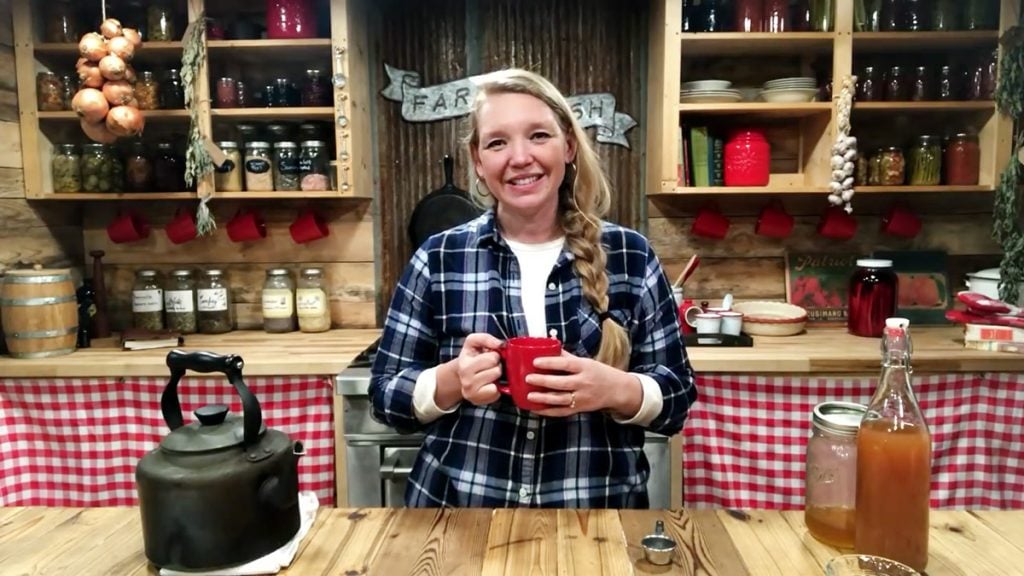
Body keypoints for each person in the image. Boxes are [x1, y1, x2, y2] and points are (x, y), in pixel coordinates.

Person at [369, 68, 697, 508]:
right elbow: (385, 398)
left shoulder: (630, 256)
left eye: (538, 135)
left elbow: (677, 397)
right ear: (478, 162)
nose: (519, 157)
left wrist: (615, 389)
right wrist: (452, 380)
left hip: (594, 518)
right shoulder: (439, 257)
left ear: (569, 146)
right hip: (459, 520)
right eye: (497, 142)